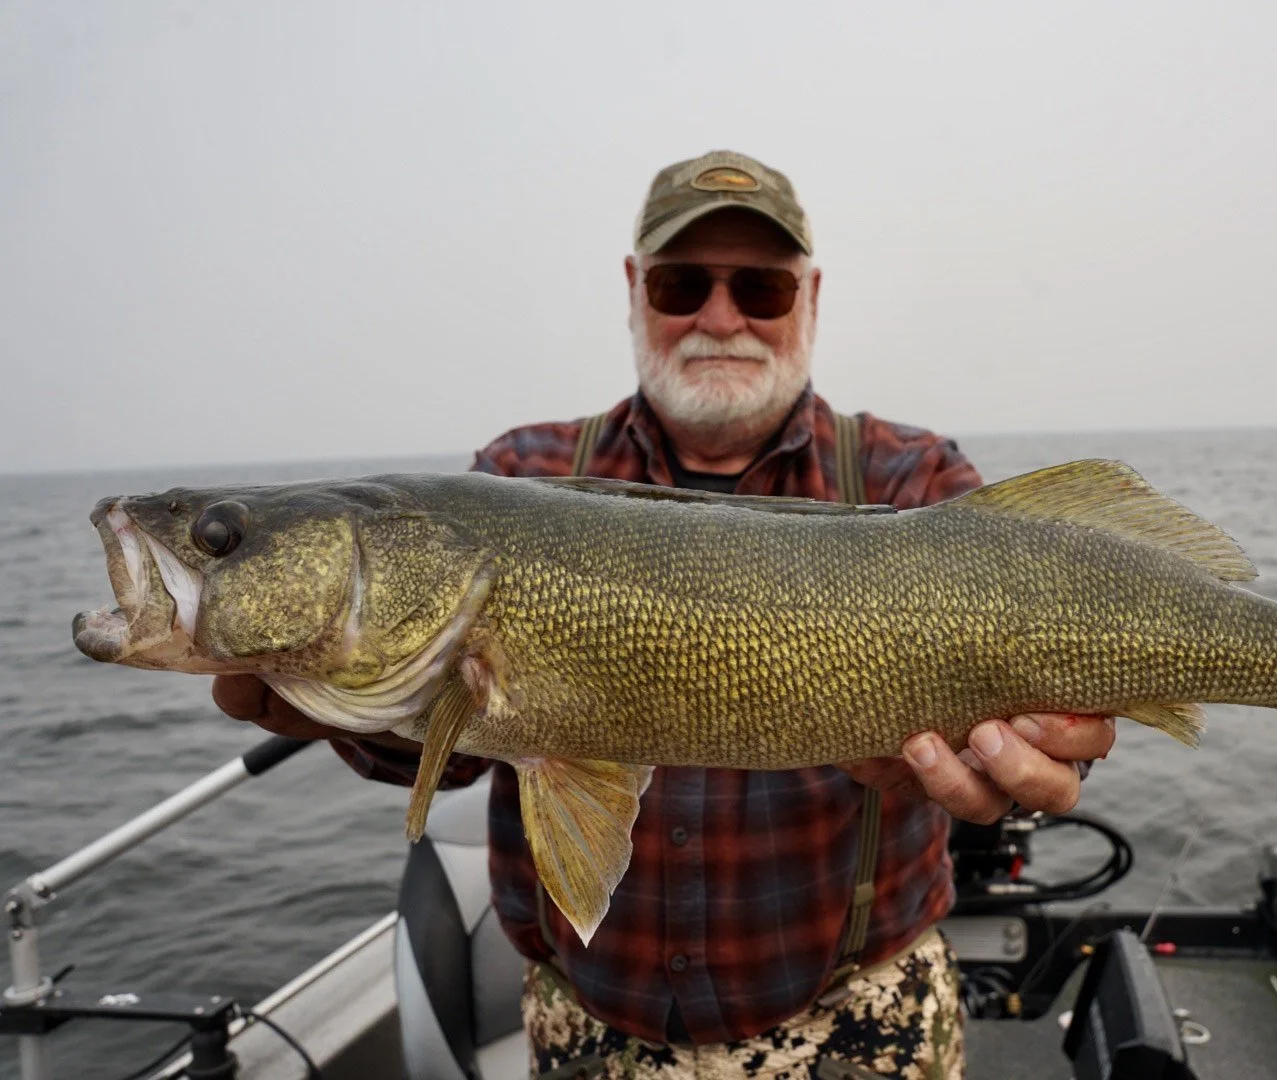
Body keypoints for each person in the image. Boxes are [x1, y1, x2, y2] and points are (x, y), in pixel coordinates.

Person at [214, 150, 1117, 1079]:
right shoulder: (513, 478)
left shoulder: (912, 482)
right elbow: (444, 743)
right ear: (635, 287)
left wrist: (1017, 758)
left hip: (864, 1020)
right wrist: (342, 698)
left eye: (760, 289)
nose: (719, 318)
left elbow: (1030, 704)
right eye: (684, 283)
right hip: (590, 1035)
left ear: (810, 297)